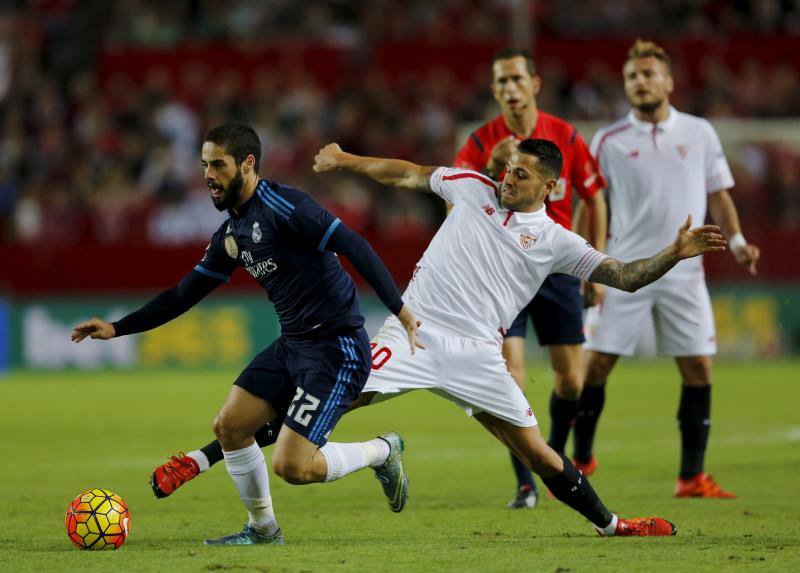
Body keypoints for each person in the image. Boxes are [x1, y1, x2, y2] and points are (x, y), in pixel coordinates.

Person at [71, 122, 421, 545]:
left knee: (292, 467)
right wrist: (116, 328)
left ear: (248, 164)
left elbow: (354, 245)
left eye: (218, 165)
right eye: (204, 165)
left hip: (336, 348)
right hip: (293, 344)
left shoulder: (285, 205)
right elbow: (182, 295)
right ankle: (263, 530)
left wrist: (400, 309)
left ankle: (382, 451)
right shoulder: (231, 233)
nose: (208, 175)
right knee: (231, 425)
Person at [571, 39, 760, 498]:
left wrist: (737, 242)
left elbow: (719, 194)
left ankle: (691, 477)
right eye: (632, 76)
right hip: (623, 272)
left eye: (648, 74)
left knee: (698, 369)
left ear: (668, 81)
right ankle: (580, 462)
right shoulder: (609, 140)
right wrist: (583, 265)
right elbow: (591, 204)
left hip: (684, 274)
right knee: (595, 367)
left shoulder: (699, 132)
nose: (640, 82)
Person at [452, 48, 608, 509]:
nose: (510, 88)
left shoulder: (565, 137)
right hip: (503, 271)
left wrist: (594, 269)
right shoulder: (481, 142)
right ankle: (526, 483)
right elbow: (454, 199)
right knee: (511, 377)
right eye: (501, 81)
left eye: (517, 78)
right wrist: (489, 167)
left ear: (535, 84)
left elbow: (594, 198)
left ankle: (552, 459)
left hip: (555, 270)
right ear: (494, 90)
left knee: (571, 382)